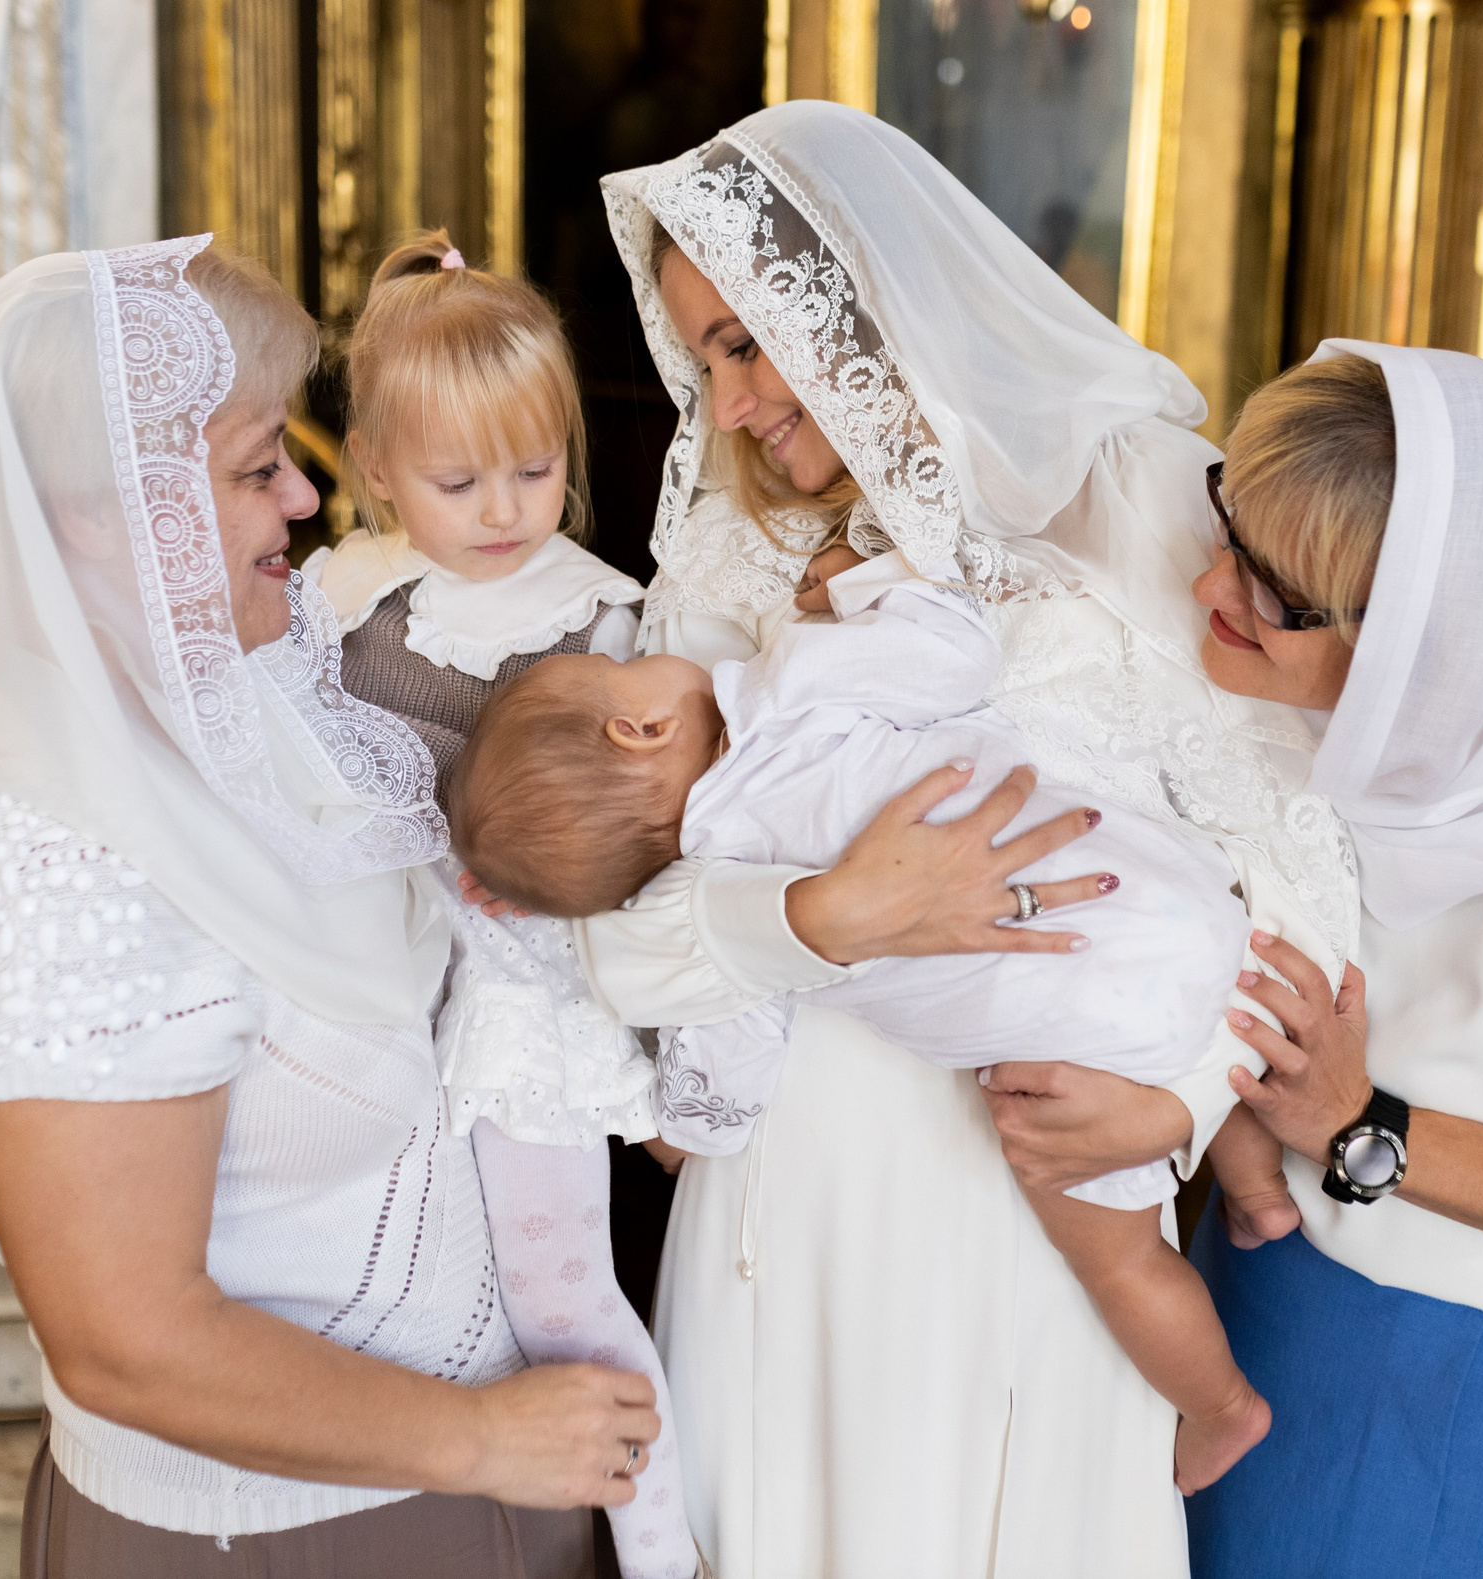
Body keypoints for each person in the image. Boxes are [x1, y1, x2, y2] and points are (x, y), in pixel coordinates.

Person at [548, 100, 1362, 1576]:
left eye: (745, 342)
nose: (723, 404)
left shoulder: (1132, 501)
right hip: (788, 1199)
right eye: (701, 353)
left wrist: (1179, 1104)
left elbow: (1301, 873)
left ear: (858, 295)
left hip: (1035, 1190)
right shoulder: (728, 555)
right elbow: (605, 934)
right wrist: (823, 915)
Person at [0, 235, 662, 1577]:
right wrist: (479, 1443)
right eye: (252, 470)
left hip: (495, 1470)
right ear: (98, 510)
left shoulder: (260, 695)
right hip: (291, 1535)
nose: (304, 496)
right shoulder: (34, 853)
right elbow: (128, 1332)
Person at [997, 344, 1483, 1579]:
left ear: (1422, 636)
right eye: (1228, 535)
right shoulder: (1304, 719)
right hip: (1250, 1290)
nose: (1211, 586)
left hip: (1452, 1384)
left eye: (1271, 590)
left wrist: (1362, 1122)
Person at [450, 552, 1300, 1490]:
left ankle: (1224, 1406)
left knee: (1123, 1264)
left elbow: (721, 1104)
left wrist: (677, 1124)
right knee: (1205, 991)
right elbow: (956, 650)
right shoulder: (790, 686)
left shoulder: (720, 900)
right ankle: (1253, 1176)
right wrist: (859, 589)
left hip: (1084, 1039)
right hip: (1163, 890)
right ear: (639, 723)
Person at [302, 228, 690, 1579]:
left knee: (562, 1284)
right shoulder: (334, 600)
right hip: (368, 988)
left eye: (537, 468)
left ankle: (659, 1537)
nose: (506, 508)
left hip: (528, 995)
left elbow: (661, 834)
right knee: (403, 1280)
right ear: (375, 471)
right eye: (459, 480)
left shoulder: (605, 618)